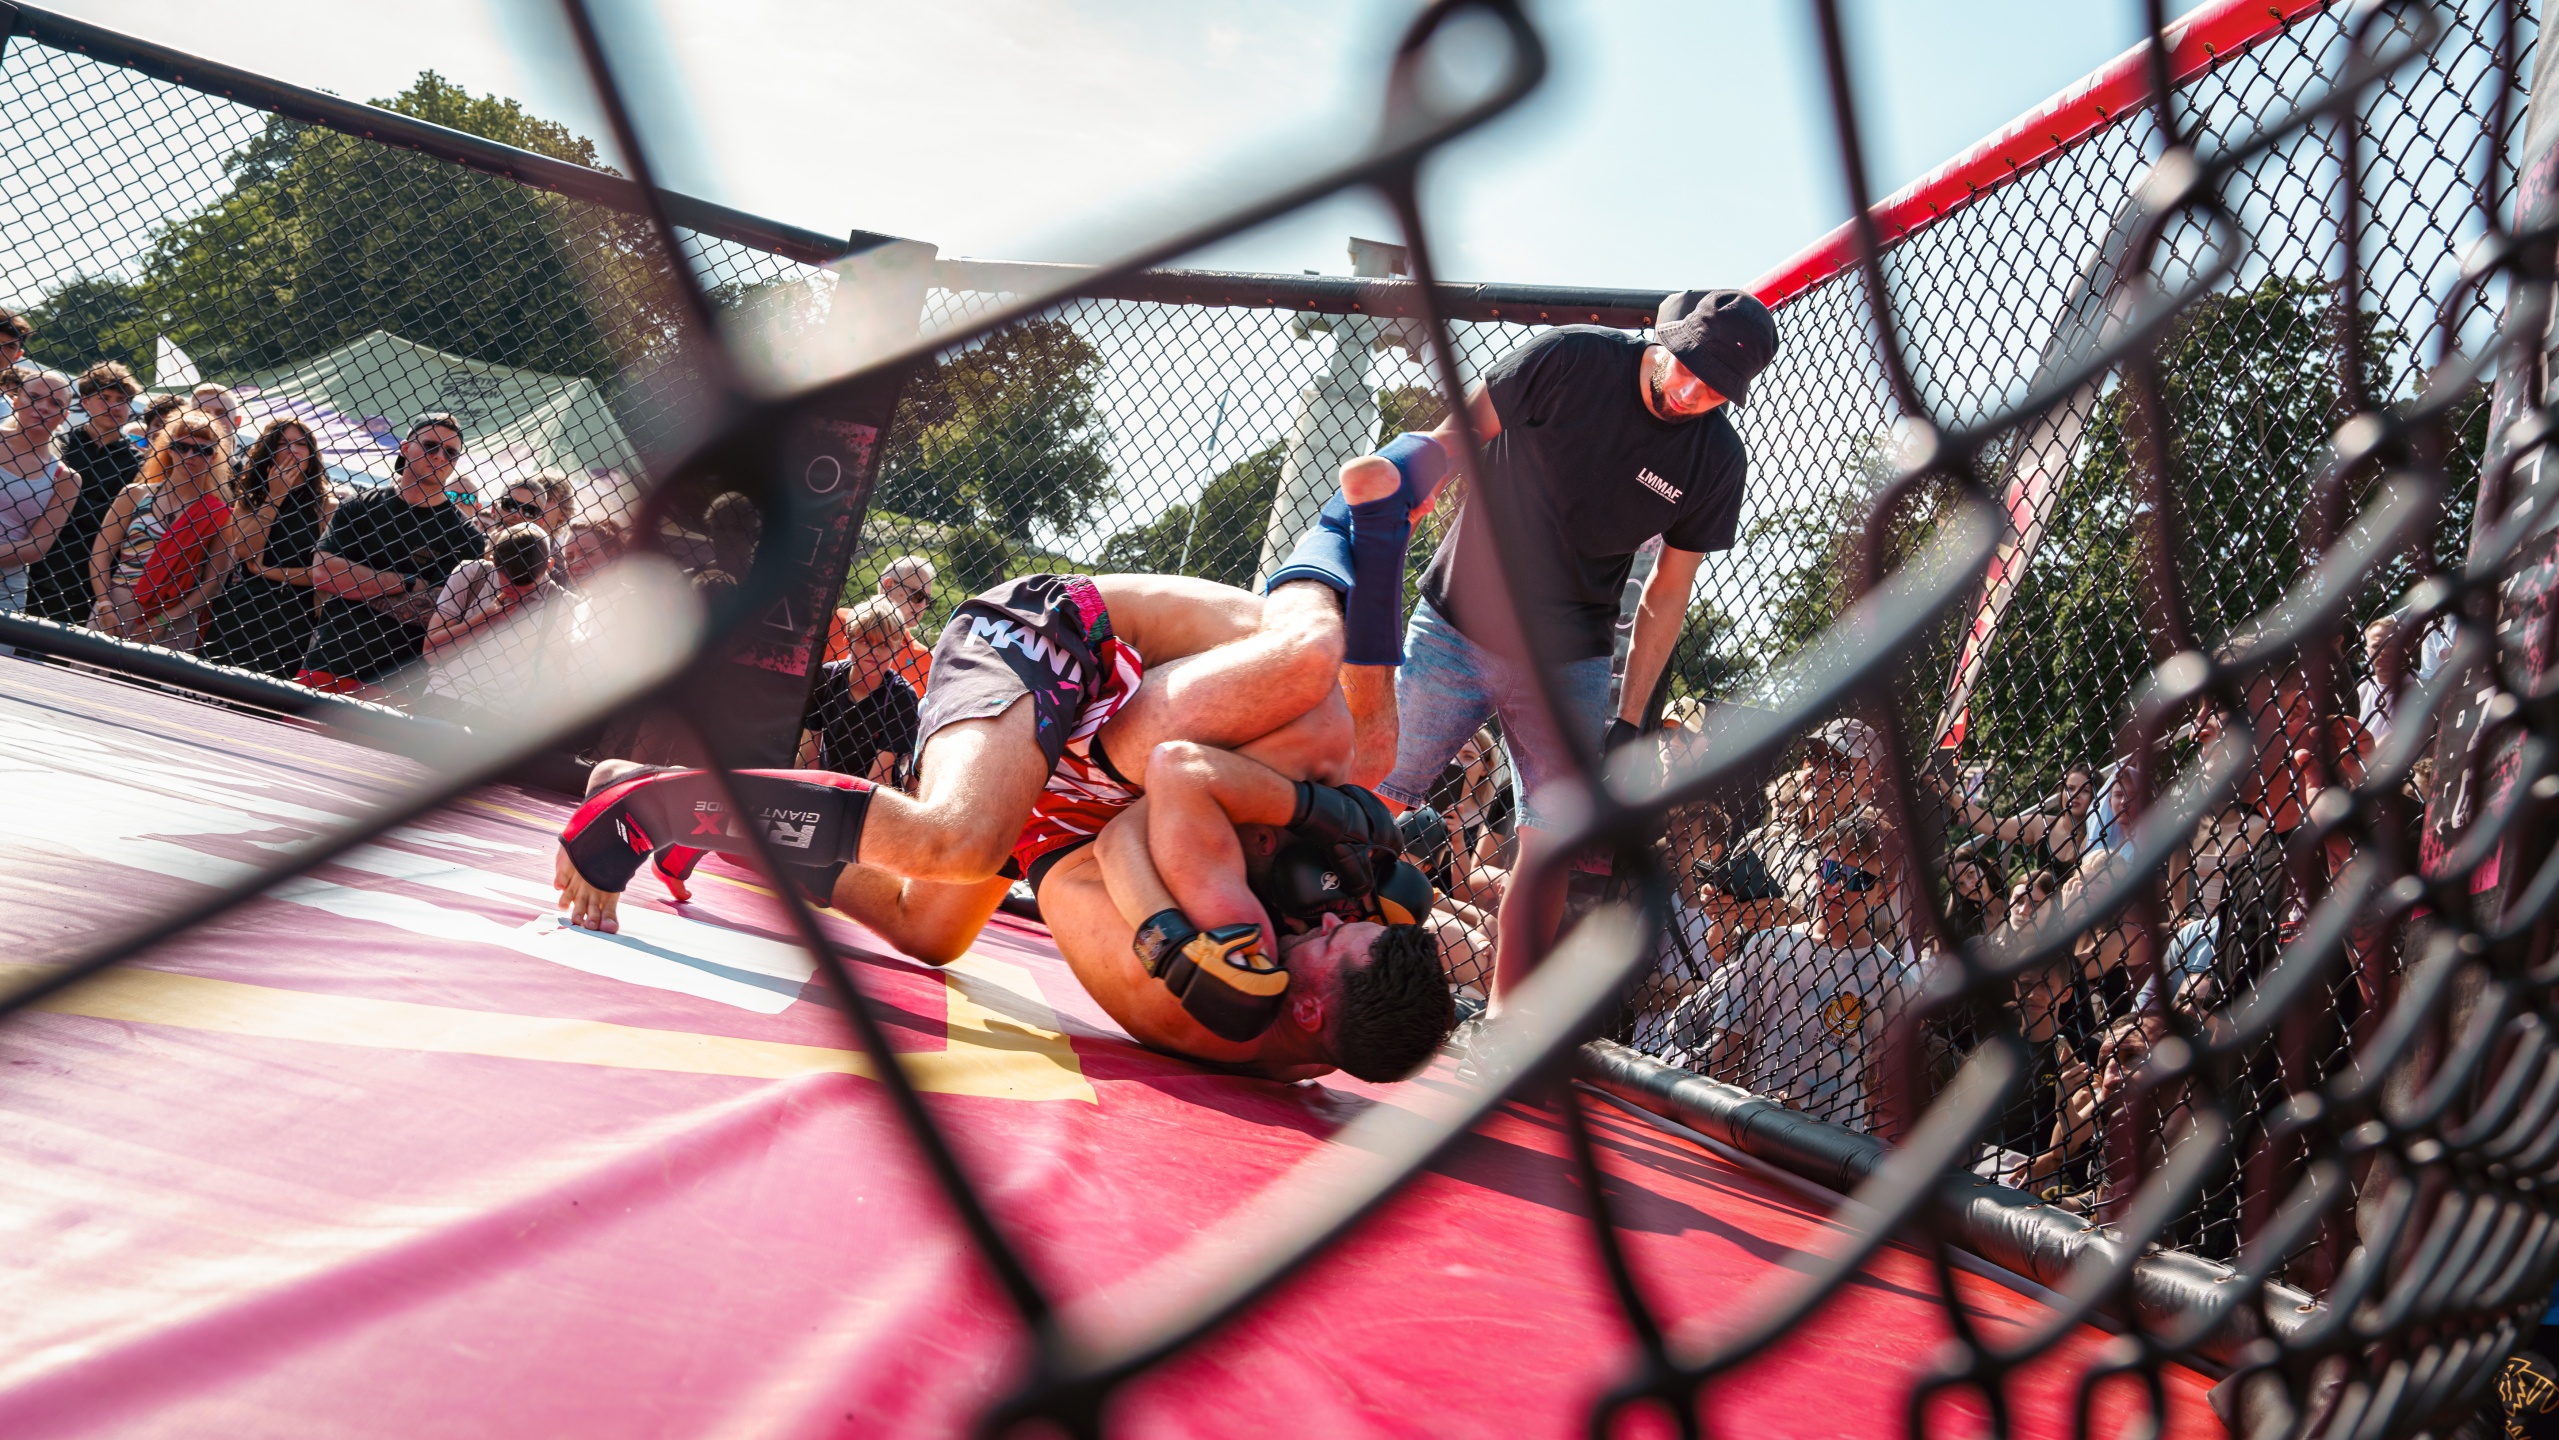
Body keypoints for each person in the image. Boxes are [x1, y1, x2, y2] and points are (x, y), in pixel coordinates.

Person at [1305, 290, 1776, 1004]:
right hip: (1459, 622)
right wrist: (1402, 486)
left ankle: (1507, 1023)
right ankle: (1303, 935)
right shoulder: (1572, 357)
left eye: (1715, 390)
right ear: (1667, 338)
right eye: (1688, 368)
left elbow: (1667, 592)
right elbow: (1457, 435)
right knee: (1375, 793)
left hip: (1570, 656)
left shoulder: (1715, 458)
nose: (1691, 393)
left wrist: (1631, 720)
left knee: (1552, 839)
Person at [557, 565, 1374, 960]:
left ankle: (711, 818)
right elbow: (1158, 755)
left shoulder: (1272, 802)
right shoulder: (1305, 738)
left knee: (929, 929)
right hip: (1056, 637)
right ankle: (645, 811)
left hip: (1086, 750)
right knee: (955, 838)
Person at [1661, 812, 1923, 1133]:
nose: (1837, 887)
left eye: (1858, 879)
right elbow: (1728, 1047)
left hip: (1833, 1143)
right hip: (1750, 1124)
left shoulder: (1893, 980)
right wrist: (1712, 1118)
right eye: (1831, 870)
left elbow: (1889, 1089)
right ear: (1817, 870)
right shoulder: (1768, 944)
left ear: (1885, 891)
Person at [294, 413, 486, 700]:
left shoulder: (466, 537)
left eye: (450, 452)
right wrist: (408, 582)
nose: (439, 456)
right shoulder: (359, 506)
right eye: (430, 446)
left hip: (398, 678)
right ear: (405, 448)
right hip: (330, 657)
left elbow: (436, 611)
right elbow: (323, 574)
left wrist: (354, 584)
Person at [87, 407, 238, 651]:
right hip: (116, 607)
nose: (190, 455)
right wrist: (104, 605)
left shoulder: (219, 514)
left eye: (203, 450)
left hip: (174, 619)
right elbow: (100, 555)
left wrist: (164, 621)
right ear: (168, 449)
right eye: (181, 446)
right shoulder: (135, 495)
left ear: (214, 457)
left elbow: (214, 583)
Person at [200, 418, 333, 677]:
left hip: (295, 615)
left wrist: (265, 570)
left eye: (301, 444)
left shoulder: (327, 506)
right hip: (244, 608)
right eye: (284, 443)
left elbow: (323, 573)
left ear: (311, 455)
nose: (293, 450)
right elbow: (246, 551)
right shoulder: (251, 498)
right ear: (269, 452)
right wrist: (276, 497)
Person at [417, 523, 569, 726]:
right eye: (506, 584)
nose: (517, 594)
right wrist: (485, 619)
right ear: (493, 562)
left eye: (526, 588)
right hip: (446, 695)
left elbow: (549, 684)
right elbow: (431, 652)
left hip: (502, 714)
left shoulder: (561, 602)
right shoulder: (471, 573)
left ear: (549, 565)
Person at [26, 364, 142, 624]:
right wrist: (100, 508)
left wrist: (63, 500)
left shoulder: (138, 463)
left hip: (89, 576)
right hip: (37, 563)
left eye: (122, 400)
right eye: (105, 397)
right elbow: (37, 500)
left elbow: (119, 521)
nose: (114, 406)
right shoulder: (59, 445)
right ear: (86, 402)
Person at [798, 597, 922, 784]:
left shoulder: (901, 695)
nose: (875, 652)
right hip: (826, 780)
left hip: (872, 791)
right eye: (866, 641)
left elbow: (879, 777)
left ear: (897, 651)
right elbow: (807, 756)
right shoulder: (827, 677)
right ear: (848, 642)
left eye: (885, 645)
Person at [0, 370, 82, 628]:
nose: (43, 407)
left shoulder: (65, 478)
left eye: (55, 403)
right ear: (16, 401)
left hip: (5, 587)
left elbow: (37, 546)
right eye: (34, 397)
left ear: (65, 415)